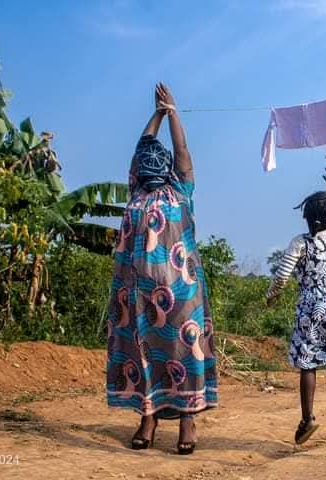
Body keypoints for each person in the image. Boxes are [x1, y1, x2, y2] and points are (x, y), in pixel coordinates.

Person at [106, 83, 217, 455]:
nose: (148, 163)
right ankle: (147, 420)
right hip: (136, 297)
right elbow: (142, 146)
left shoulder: (181, 189)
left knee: (184, 356)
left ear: (167, 165)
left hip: (182, 297)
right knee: (141, 357)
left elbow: (182, 151)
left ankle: (188, 424)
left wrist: (172, 113)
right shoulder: (136, 190)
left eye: (156, 158)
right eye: (144, 160)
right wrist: (154, 115)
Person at [266, 168, 326, 445]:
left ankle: (308, 420)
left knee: (308, 364)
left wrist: (272, 294)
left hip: (310, 306)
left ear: (307, 218)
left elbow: (283, 275)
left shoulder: (300, 243)